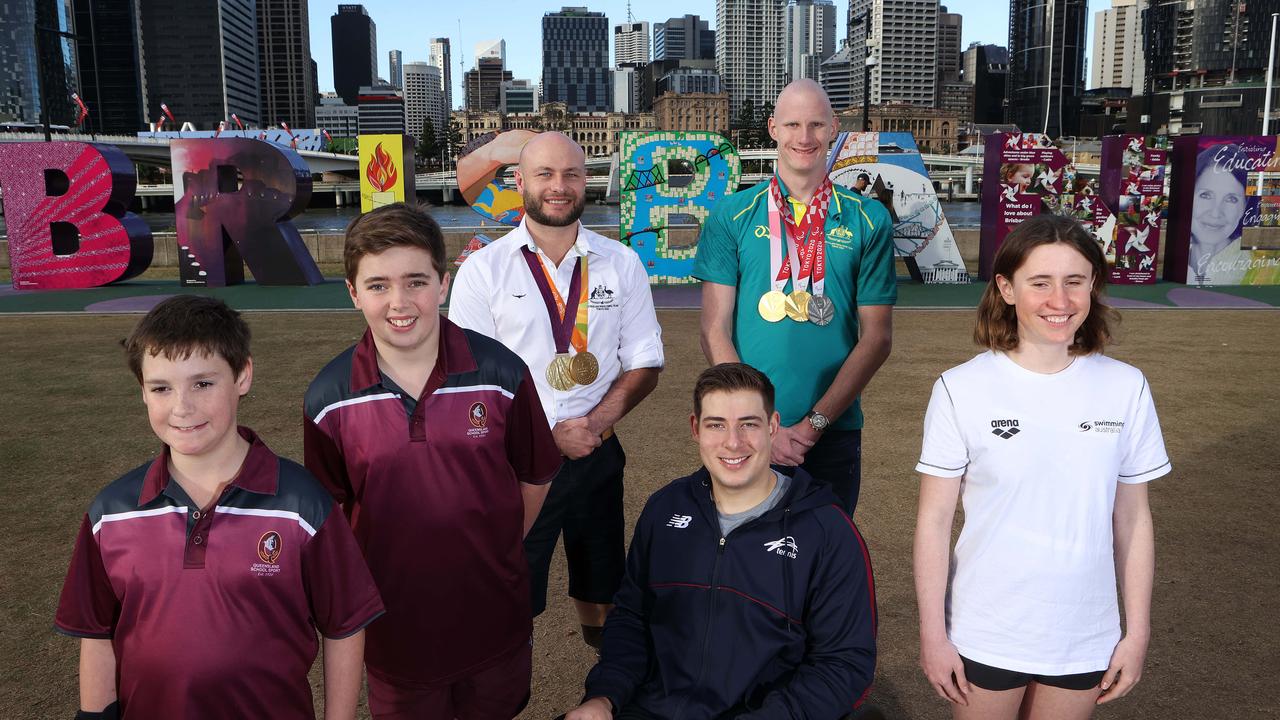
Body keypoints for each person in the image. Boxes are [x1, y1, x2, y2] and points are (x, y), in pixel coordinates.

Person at [56, 296, 383, 720]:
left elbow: (344, 626)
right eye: (161, 388)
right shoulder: (112, 511)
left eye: (203, 383)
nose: (182, 407)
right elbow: (97, 632)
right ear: (142, 391)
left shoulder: (302, 504)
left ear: (243, 375)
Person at [304, 204, 561, 719]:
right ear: (353, 292)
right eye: (377, 285)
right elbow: (331, 518)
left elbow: (535, 474)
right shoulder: (329, 398)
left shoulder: (501, 372)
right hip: (396, 630)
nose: (399, 302)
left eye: (415, 281)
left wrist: (496, 542)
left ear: (443, 284)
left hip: (493, 615)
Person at [914, 213, 1170, 720]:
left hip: (1083, 631)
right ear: (1007, 288)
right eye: (1041, 283)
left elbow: (1133, 519)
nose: (1060, 301)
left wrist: (1136, 632)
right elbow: (935, 520)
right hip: (985, 627)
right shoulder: (959, 388)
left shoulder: (1126, 386)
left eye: (1075, 281)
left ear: (1093, 286)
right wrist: (932, 634)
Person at [561, 363, 877, 720]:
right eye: (716, 425)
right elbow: (632, 618)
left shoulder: (827, 531)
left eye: (748, 424)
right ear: (695, 428)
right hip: (652, 709)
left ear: (772, 427)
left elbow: (846, 663)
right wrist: (603, 697)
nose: (733, 442)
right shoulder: (665, 508)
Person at [450, 131, 664, 649]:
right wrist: (546, 438)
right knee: (511, 589)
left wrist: (589, 426)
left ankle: (608, 681)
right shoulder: (484, 270)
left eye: (571, 174)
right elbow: (465, 385)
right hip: (517, 467)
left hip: (596, 453)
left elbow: (645, 363)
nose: (559, 186)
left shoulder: (622, 262)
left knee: (603, 579)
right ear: (519, 182)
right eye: (545, 174)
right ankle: (502, 693)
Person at [694, 79, 895, 516]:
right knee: (747, 563)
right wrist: (755, 423)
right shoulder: (732, 214)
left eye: (816, 125)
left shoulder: (869, 218)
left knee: (826, 566)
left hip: (833, 430)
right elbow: (714, 329)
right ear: (773, 129)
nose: (804, 137)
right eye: (793, 125)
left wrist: (811, 427)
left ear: (833, 128)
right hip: (745, 435)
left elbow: (876, 338)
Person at [1187, 143, 1250, 285]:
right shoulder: (1174, 261)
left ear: (1244, 207)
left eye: (1231, 199)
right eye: (1206, 195)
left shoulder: (1259, 270)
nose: (1215, 213)